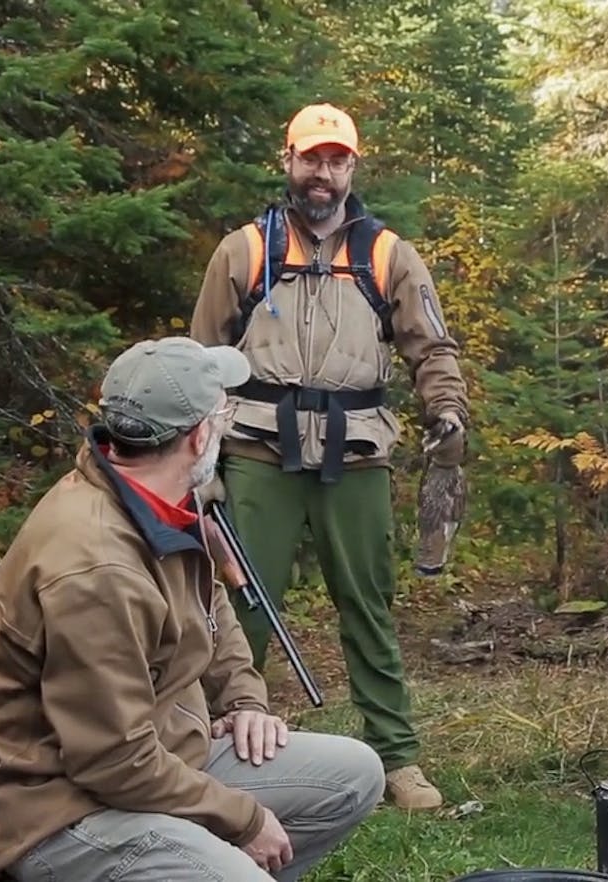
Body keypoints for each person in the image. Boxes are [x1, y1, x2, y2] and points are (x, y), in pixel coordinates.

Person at [0, 336, 386, 881]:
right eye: (224, 411)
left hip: (164, 760)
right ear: (198, 435)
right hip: (66, 808)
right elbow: (111, 759)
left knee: (355, 774)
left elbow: (211, 602)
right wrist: (242, 820)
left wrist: (243, 699)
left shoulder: (167, 497)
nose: (227, 421)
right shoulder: (95, 567)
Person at [189, 102, 470, 811]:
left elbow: (431, 347)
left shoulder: (388, 254)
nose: (323, 171)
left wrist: (447, 411)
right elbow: (198, 358)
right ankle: (204, 743)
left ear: (353, 166)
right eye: (311, 157)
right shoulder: (244, 250)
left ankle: (396, 758)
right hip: (256, 449)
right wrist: (195, 458)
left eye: (336, 159)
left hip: (358, 451)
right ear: (288, 161)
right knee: (240, 601)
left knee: (367, 605)